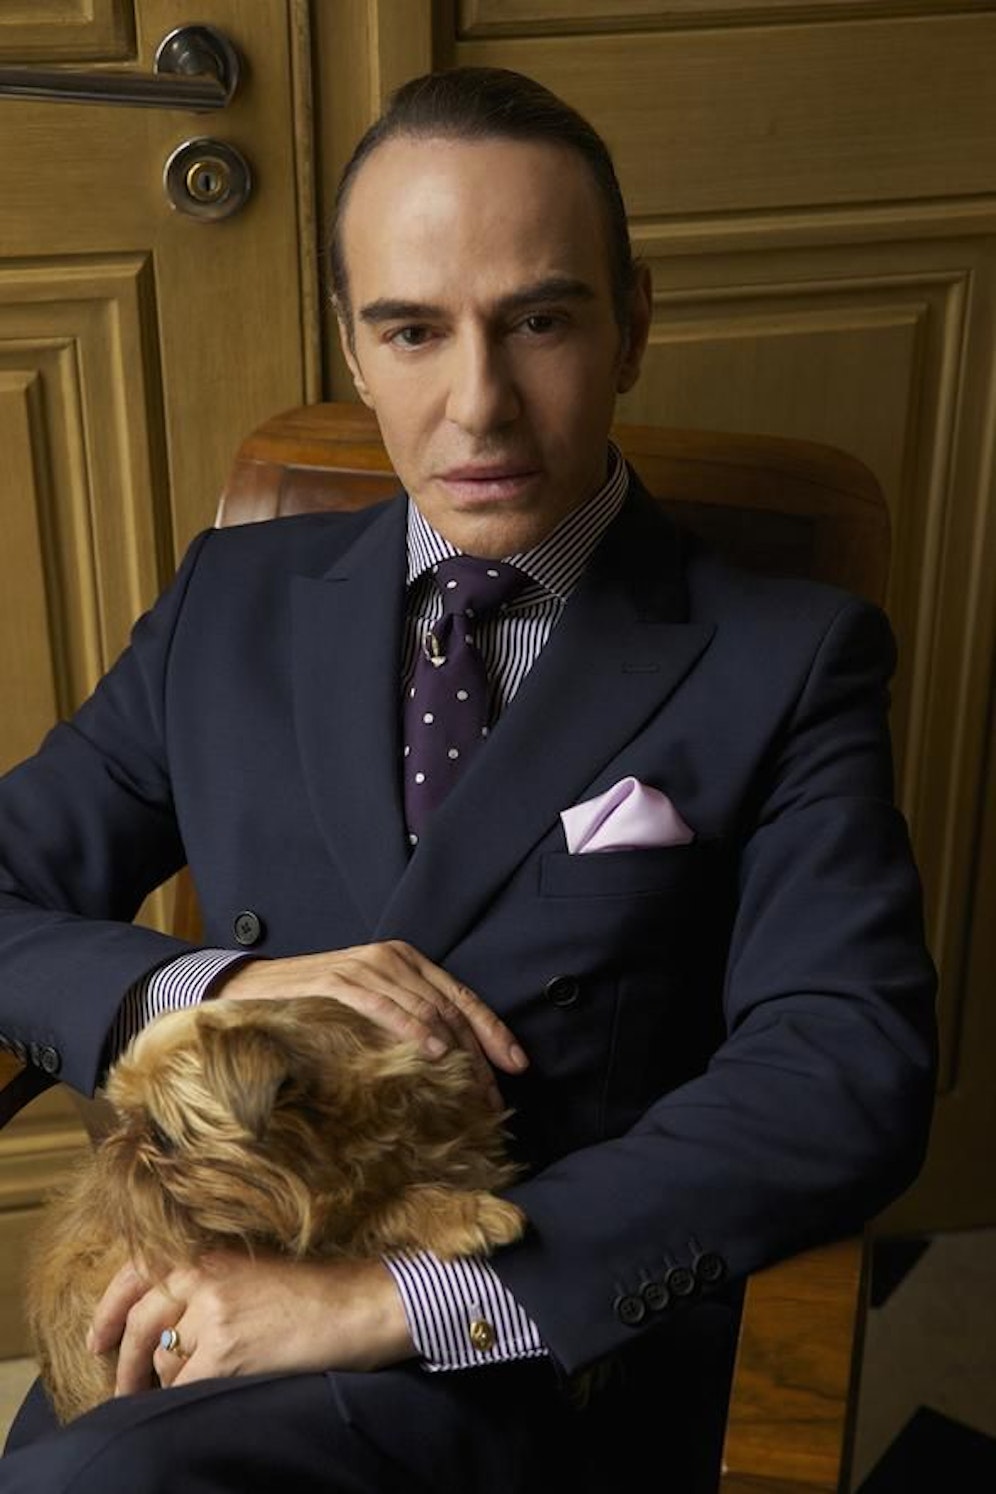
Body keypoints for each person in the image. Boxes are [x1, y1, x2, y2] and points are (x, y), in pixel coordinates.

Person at [0, 65, 936, 1493]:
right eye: (414, 330)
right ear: (353, 347)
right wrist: (219, 988)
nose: (479, 404)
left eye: (540, 321)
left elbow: (844, 1064)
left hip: (536, 1354)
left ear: (633, 324)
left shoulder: (785, 656)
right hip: (188, 1310)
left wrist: (398, 1298)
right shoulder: (231, 605)